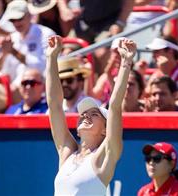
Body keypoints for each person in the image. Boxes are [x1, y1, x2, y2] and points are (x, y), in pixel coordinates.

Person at [46, 35, 136, 195]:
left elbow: (115, 107)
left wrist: (126, 63)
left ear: (105, 130)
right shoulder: (67, 153)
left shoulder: (105, 155)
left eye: (94, 114)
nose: (85, 116)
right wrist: (51, 58)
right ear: (78, 130)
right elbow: (55, 106)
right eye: (83, 114)